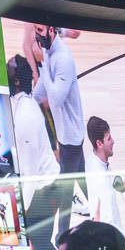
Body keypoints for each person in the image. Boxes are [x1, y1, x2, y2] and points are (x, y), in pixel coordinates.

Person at [8, 55, 62, 250]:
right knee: (40, 245)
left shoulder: (25, 116)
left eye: (8, 70)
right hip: (45, 186)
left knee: (39, 246)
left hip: (43, 190)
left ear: (15, 81)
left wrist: (19, 214)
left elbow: (29, 173)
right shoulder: (24, 103)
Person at [30, 25, 87, 176]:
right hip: (66, 133)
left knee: (65, 190)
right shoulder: (48, 50)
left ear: (51, 30)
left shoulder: (63, 58)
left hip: (70, 137)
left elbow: (56, 100)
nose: (37, 35)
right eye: (35, 30)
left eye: (40, 30)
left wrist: (41, 64)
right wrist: (30, 101)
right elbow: (44, 81)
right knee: (81, 181)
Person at [84, 116, 125, 231]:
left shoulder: (91, 159)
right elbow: (109, 221)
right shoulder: (102, 180)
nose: (113, 141)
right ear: (99, 143)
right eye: (109, 138)